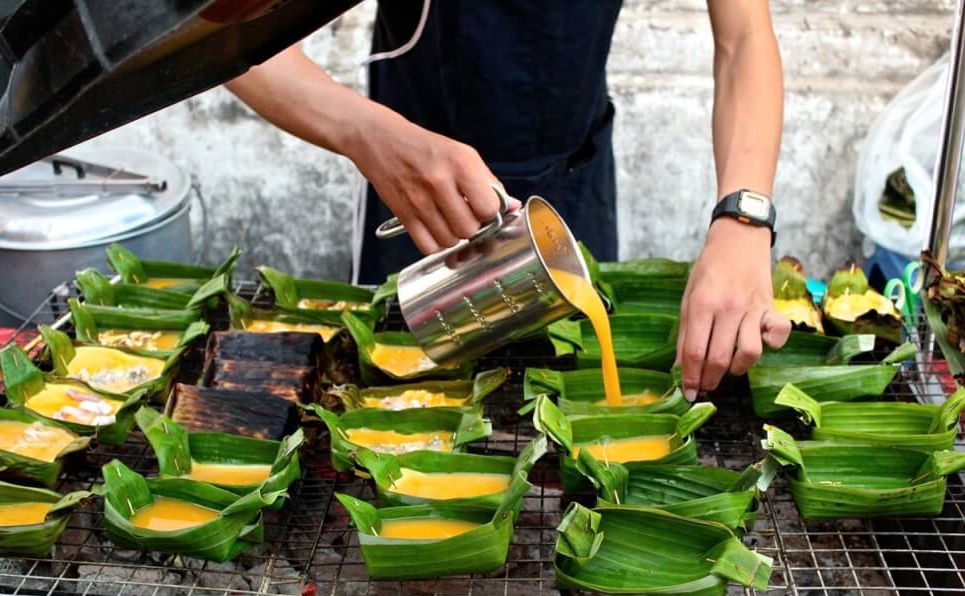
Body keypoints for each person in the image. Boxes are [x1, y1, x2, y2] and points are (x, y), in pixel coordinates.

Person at [227, 0, 791, 401]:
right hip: (422, 198)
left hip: (571, 187)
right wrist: (365, 134)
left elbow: (744, 37)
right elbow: (222, 34)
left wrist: (743, 217)